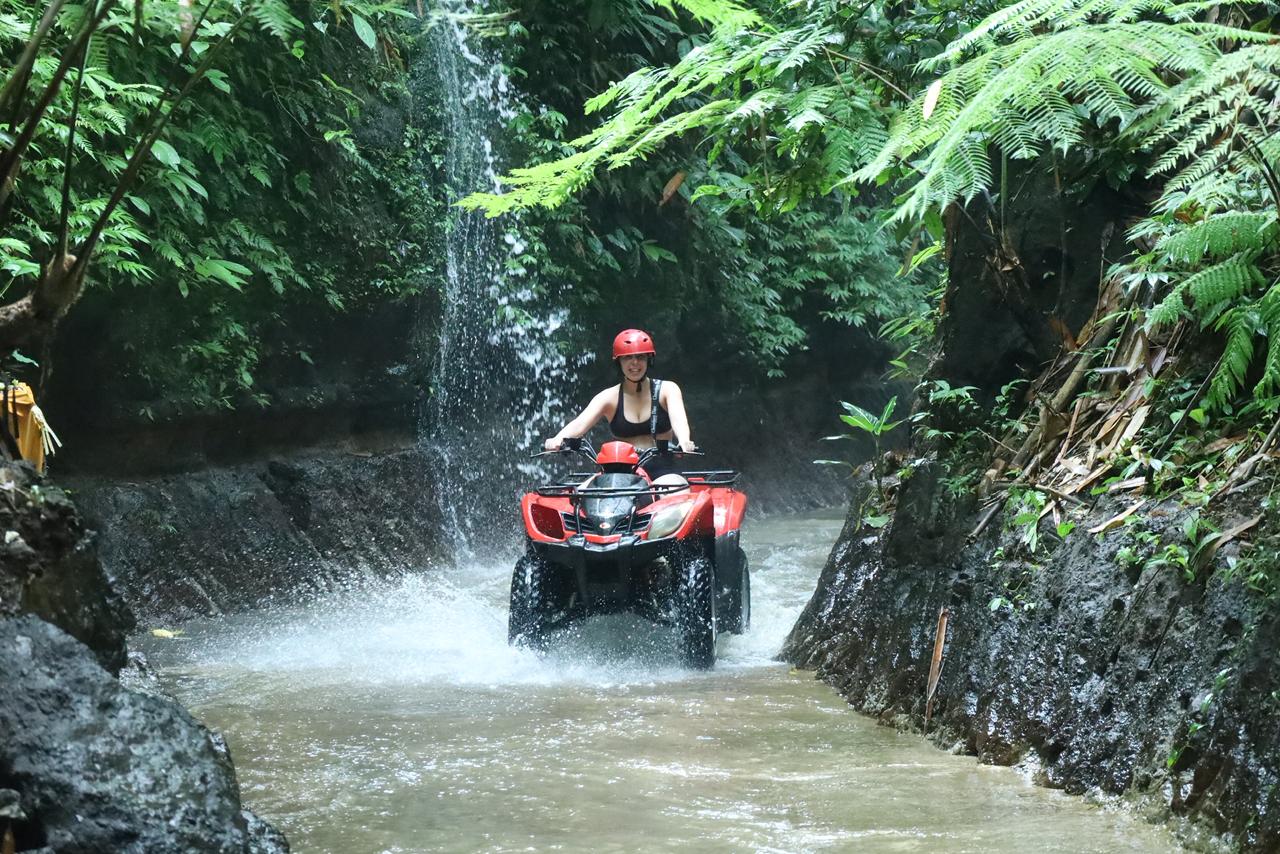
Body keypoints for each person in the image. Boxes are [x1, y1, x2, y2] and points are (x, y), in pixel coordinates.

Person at [543, 328, 695, 480]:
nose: (635, 363)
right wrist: (558, 439)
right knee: (583, 489)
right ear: (619, 362)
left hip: (663, 469)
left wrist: (684, 441)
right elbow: (579, 423)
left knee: (674, 488)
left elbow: (679, 420)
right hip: (620, 471)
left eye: (640, 357)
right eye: (628, 357)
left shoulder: (668, 390)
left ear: (649, 360)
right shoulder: (608, 397)